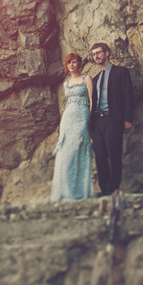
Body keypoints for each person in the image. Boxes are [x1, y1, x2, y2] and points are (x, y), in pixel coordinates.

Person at [90, 42, 134, 198]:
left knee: (114, 155)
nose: (96, 56)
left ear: (107, 53)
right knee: (100, 157)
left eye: (99, 52)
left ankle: (114, 188)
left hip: (113, 119)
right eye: (94, 54)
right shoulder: (95, 79)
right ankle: (104, 190)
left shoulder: (121, 72)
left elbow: (128, 96)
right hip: (97, 122)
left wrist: (127, 119)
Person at [50, 53, 95, 201]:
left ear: (79, 64)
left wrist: (89, 119)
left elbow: (91, 100)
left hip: (82, 117)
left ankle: (81, 190)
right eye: (69, 63)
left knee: (79, 149)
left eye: (74, 62)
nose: (71, 65)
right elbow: (67, 103)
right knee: (65, 154)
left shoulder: (86, 78)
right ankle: (64, 191)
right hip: (67, 119)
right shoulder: (66, 83)